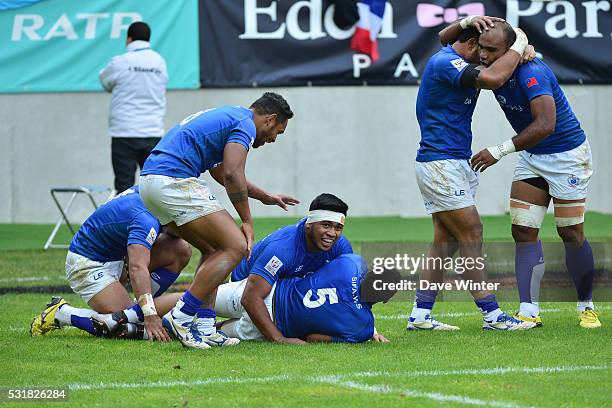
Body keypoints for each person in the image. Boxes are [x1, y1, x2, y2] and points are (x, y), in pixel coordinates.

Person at [439, 23, 601, 330]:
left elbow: (545, 125)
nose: (483, 56)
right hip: (532, 156)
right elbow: (444, 42)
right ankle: (529, 311)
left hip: (568, 157)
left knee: (570, 233)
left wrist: (498, 151)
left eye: (491, 50)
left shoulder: (531, 72)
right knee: (523, 231)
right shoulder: (492, 66)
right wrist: (466, 23)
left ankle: (587, 306)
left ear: (509, 51)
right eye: (481, 48)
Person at [139, 92, 298, 349]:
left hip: (152, 182)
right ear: (270, 119)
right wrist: (247, 221)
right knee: (235, 246)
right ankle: (181, 316)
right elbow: (233, 174)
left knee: (214, 249)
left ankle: (204, 325)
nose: (272, 139)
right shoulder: (245, 125)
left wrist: (264, 196)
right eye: (277, 132)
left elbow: (221, 172)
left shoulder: (231, 116)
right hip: (172, 180)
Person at [409, 16, 536, 331]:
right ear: (469, 44)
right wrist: (520, 45)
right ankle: (492, 315)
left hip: (452, 161)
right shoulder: (446, 63)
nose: (486, 57)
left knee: (446, 241)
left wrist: (467, 23)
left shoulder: (452, 52)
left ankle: (420, 314)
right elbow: (493, 78)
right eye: (483, 50)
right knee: (473, 233)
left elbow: (446, 35)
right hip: (441, 165)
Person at [30, 187, 192, 341]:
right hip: (88, 264)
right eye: (186, 223)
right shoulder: (145, 219)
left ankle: (139, 309)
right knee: (125, 325)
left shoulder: (153, 195)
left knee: (181, 249)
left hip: (116, 257)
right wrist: (149, 314)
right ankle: (62, 313)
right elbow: (137, 267)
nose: (189, 230)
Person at [231, 193, 353, 344]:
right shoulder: (283, 249)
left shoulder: (340, 246)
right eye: (326, 225)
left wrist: (369, 329)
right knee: (267, 325)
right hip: (243, 285)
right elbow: (250, 297)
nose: (332, 234)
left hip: (282, 291)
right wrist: (279, 338)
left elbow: (348, 289)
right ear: (309, 223)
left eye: (338, 228)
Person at [215, 254, 393, 343]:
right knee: (216, 332)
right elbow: (313, 337)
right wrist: (371, 332)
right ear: (386, 300)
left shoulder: (352, 263)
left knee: (198, 300)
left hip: (267, 291)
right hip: (268, 325)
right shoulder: (362, 327)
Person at [99, 21, 168, 194]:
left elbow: (105, 83)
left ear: (129, 39)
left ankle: (127, 221)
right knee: (154, 188)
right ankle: (154, 222)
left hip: (124, 132)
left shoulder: (119, 62)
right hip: (153, 132)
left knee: (124, 188)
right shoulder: (159, 62)